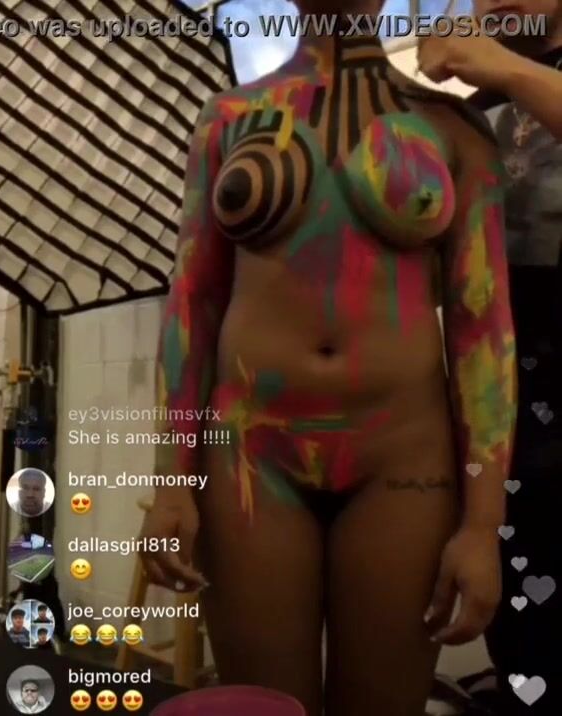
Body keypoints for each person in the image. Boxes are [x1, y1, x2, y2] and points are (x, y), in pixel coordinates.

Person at [140, 1, 517, 713]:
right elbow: (192, 301)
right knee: (262, 705)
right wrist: (171, 481)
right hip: (252, 454)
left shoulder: (454, 127)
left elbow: (483, 330)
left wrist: (480, 526)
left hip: (403, 459)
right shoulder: (227, 117)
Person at [418, 2, 562, 713]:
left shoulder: (506, 76)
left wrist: (501, 65)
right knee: (524, 632)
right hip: (505, 407)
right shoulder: (475, 114)